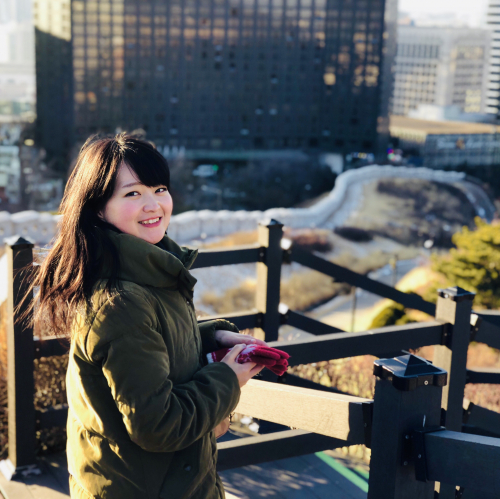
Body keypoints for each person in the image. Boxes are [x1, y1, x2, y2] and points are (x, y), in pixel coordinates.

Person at [32, 134, 266, 498]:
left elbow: (148, 343)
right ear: (98, 208)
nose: (153, 204)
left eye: (159, 189)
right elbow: (159, 426)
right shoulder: (121, 300)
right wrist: (227, 379)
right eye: (132, 193)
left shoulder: (147, 270)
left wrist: (211, 337)